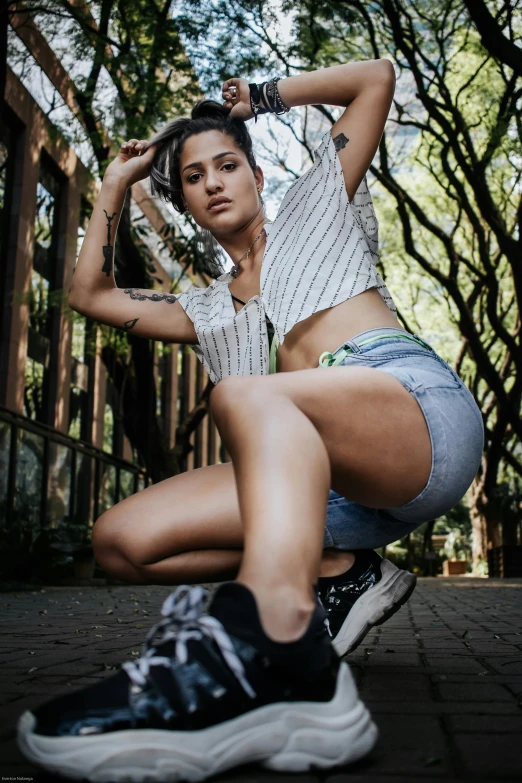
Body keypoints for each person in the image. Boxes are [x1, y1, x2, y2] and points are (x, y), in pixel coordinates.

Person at [18, 61, 484, 781]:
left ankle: (273, 639)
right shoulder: (202, 310)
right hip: (329, 494)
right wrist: (116, 182)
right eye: (195, 177)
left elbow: (376, 80)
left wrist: (261, 97)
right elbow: (90, 294)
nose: (212, 182)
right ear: (188, 205)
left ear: (257, 177)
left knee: (248, 397)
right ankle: (340, 572)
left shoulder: (317, 202)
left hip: (413, 417)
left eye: (227, 164)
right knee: (120, 540)